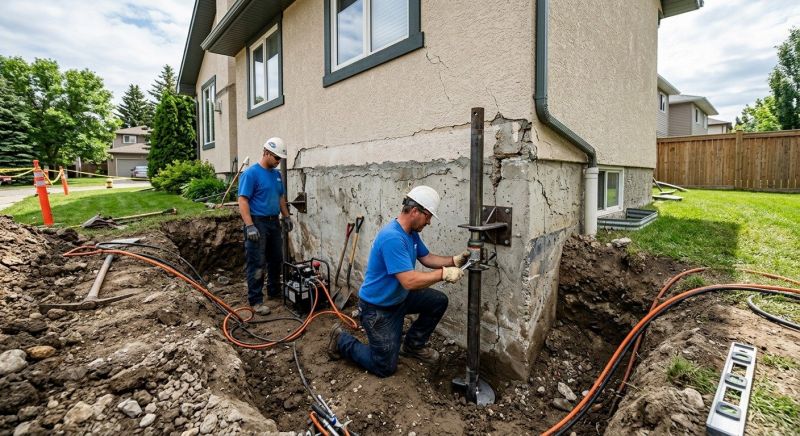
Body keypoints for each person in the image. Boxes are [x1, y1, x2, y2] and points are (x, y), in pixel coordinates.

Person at [328, 186, 470, 377]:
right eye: (428, 216)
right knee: (384, 367)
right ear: (415, 211)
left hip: (399, 299)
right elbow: (409, 281)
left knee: (438, 301)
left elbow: (426, 257)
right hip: (378, 309)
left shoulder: (410, 233)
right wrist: (443, 273)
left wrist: (453, 260)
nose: (429, 222)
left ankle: (412, 346)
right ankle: (341, 340)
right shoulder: (392, 237)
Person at [238, 137, 293, 316]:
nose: (278, 162)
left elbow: (280, 197)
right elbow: (243, 200)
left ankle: (274, 291)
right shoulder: (251, 174)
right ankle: (256, 300)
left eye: (280, 159)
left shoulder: (276, 175)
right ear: (266, 153)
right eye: (276, 158)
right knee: (257, 262)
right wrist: (249, 225)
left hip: (273, 222)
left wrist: (286, 216)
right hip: (257, 222)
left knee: (276, 258)